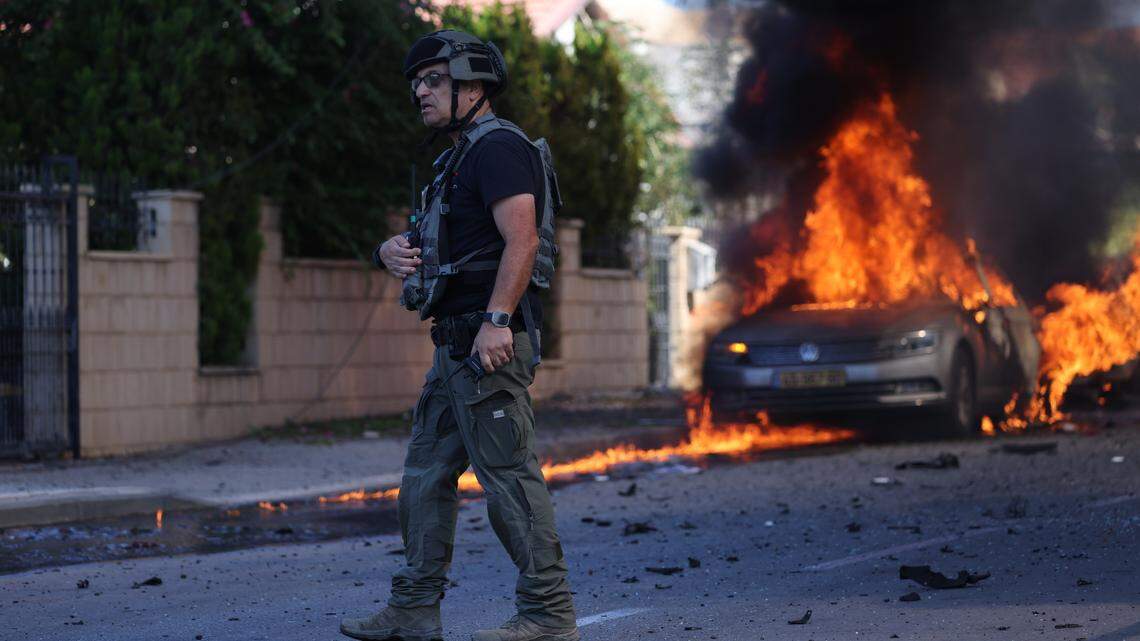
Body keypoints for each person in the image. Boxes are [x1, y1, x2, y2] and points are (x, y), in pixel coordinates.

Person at [339, 30, 578, 641]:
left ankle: (548, 616)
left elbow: (521, 240)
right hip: (454, 347)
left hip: (487, 344)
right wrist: (387, 250)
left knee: (510, 478)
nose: (420, 90)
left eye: (435, 79)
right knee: (423, 476)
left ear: (473, 84)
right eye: (416, 81)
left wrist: (498, 320)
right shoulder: (458, 156)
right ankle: (415, 609)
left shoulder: (498, 148)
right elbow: (442, 244)